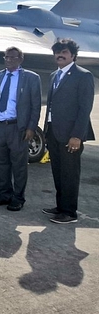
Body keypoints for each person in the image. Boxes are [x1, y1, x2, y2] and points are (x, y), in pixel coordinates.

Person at [43, 38, 94, 224]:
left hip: (70, 135)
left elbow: (84, 108)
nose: (60, 55)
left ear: (73, 55)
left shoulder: (83, 75)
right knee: (58, 172)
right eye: (57, 52)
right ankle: (60, 206)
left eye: (64, 52)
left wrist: (77, 136)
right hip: (54, 133)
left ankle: (69, 212)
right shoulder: (54, 76)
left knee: (70, 174)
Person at [0, 47, 41, 212]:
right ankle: (4, 194)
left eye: (12, 57)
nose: (9, 60)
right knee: (1, 163)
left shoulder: (31, 78)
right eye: (6, 57)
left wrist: (31, 127)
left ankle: (18, 198)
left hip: (17, 127)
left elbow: (35, 105)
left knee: (19, 165)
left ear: (21, 59)